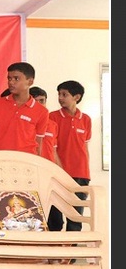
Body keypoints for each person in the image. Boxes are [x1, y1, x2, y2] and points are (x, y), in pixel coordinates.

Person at [0, 62, 49, 269]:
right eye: (9, 78)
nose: (11, 82)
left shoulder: (41, 112)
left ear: (30, 81)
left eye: (16, 78)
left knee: (22, 221)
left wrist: (37, 174)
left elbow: (38, 146)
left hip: (25, 174)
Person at [47, 80, 91, 232]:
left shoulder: (86, 119)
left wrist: (86, 174)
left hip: (80, 175)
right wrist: (59, 170)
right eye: (59, 94)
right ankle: (54, 248)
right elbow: (52, 147)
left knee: (75, 219)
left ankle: (71, 249)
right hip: (58, 174)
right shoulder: (52, 117)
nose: (60, 98)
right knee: (55, 220)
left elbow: (85, 148)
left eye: (64, 95)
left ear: (76, 97)